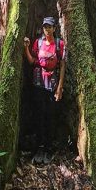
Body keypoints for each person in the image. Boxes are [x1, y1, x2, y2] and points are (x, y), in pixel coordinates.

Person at [22, 16, 65, 164]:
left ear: (54, 28)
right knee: (39, 115)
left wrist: (60, 87)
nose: (47, 30)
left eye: (50, 27)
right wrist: (26, 48)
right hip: (38, 83)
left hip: (52, 85)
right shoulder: (38, 43)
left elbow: (62, 65)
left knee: (50, 116)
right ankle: (39, 147)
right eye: (45, 27)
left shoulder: (59, 44)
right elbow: (32, 61)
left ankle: (48, 148)